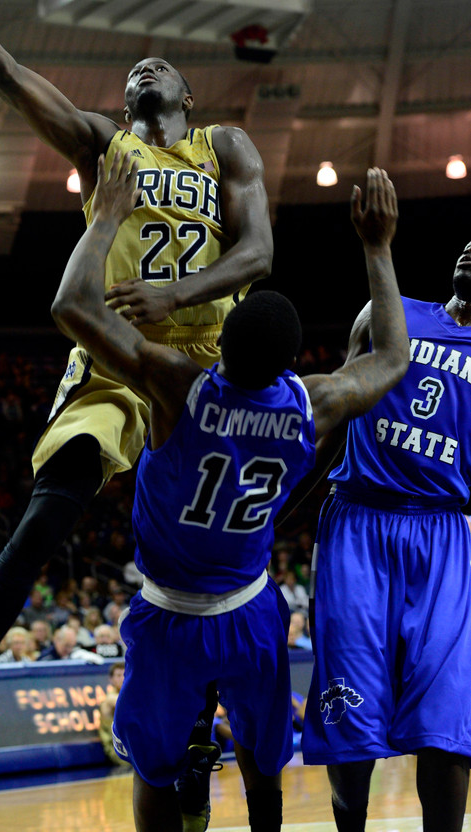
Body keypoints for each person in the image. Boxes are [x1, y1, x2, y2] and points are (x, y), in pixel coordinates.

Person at [0, 0, 276, 800]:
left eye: (158, 67)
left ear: (187, 94)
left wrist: (174, 294)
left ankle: (196, 737)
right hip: (115, 362)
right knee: (50, 509)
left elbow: (257, 258)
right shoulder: (104, 145)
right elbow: (4, 72)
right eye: (130, 69)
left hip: (208, 369)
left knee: (207, 562)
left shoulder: (224, 147)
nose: (141, 68)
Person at [46, 157, 408, 832]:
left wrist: (104, 220)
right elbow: (389, 357)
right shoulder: (312, 403)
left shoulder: (179, 384)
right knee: (260, 763)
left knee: (153, 770)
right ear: (289, 362)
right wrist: (377, 249)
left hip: (167, 618)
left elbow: (70, 305)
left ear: (223, 348)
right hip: (249, 615)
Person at [301, 238, 471, 832]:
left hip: (446, 531)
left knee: (446, 716)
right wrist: (268, 520)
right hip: (358, 522)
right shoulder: (387, 312)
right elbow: (330, 423)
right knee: (349, 705)